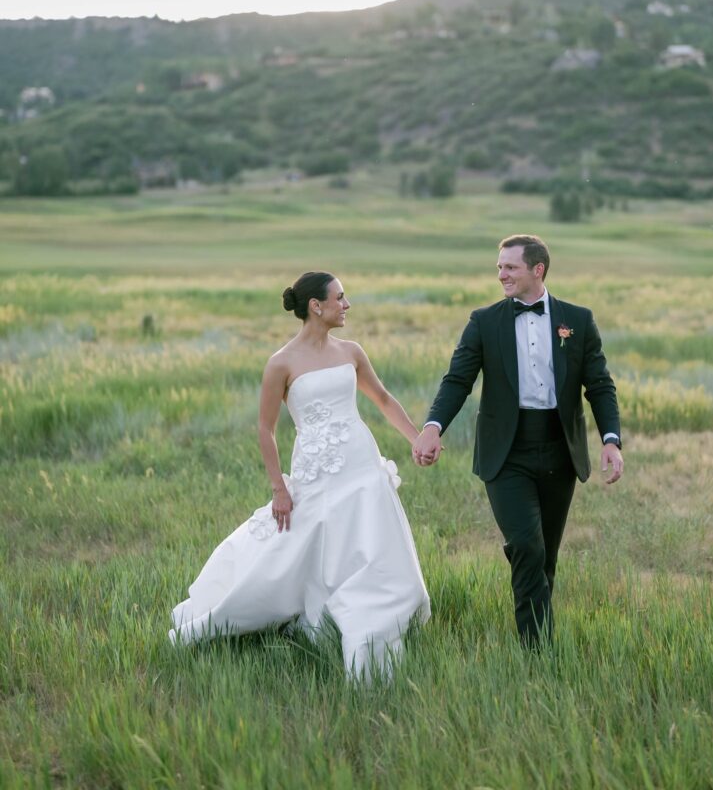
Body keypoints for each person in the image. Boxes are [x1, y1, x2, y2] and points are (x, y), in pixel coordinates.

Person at [170, 271, 430, 678]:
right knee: (293, 548)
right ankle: (242, 613)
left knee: (372, 542)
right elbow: (265, 429)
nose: (346, 305)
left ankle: (373, 612)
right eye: (340, 298)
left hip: (361, 465)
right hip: (315, 471)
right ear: (316, 306)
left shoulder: (352, 352)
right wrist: (279, 488)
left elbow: (381, 398)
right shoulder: (281, 363)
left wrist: (417, 439)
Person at [411, 234, 622, 648]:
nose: (501, 274)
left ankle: (537, 637)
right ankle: (539, 652)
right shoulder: (484, 321)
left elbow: (599, 384)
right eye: (499, 267)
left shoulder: (577, 320)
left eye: (510, 267)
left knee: (546, 556)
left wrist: (611, 440)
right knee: (526, 545)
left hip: (560, 450)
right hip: (506, 451)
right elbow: (458, 380)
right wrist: (433, 426)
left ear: (537, 269)